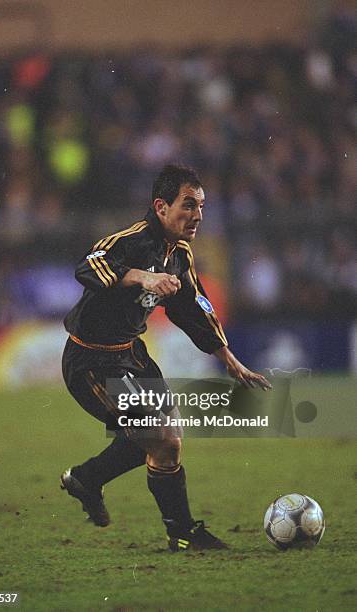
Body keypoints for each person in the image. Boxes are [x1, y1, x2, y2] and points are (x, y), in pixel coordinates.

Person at [61, 164, 271, 551]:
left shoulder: (180, 255)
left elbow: (194, 308)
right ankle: (168, 523)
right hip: (91, 361)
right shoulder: (132, 240)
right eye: (188, 205)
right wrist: (143, 276)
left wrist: (229, 359)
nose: (197, 216)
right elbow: (88, 266)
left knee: (169, 441)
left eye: (202, 207)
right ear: (161, 206)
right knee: (155, 435)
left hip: (131, 356)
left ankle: (174, 530)